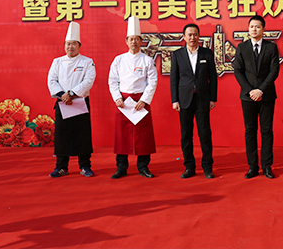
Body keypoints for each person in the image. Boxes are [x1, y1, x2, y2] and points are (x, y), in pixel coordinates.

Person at [108, 16, 158, 179]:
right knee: (122, 137)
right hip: (124, 103)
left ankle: (143, 166)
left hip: (140, 102)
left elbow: (152, 82)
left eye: (136, 39)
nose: (134, 42)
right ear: (126, 41)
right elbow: (113, 81)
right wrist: (117, 98)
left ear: (141, 40)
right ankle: (121, 167)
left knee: (143, 136)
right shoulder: (119, 60)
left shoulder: (147, 60)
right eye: (131, 39)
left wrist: (144, 100)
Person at [47, 21, 96, 178]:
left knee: (82, 135)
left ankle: (85, 166)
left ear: (79, 46)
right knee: (62, 135)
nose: (70, 47)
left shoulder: (87, 62)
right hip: (63, 103)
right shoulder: (57, 62)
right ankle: (61, 167)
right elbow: (51, 80)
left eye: (74, 44)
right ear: (64, 45)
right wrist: (63, 95)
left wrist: (72, 93)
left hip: (80, 103)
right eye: (68, 44)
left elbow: (88, 80)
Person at [233, 15, 280, 179]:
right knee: (250, 131)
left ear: (263, 29)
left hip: (266, 95)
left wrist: (260, 90)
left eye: (258, 26)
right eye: (251, 26)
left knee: (267, 131)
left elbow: (274, 71)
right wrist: (250, 91)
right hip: (247, 97)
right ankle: (252, 166)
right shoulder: (242, 48)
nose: (254, 29)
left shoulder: (271, 47)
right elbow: (238, 71)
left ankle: (267, 166)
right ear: (248, 29)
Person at [170, 23, 217, 179]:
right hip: (184, 100)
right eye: (189, 35)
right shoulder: (177, 55)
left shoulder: (206, 54)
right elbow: (174, 79)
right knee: (186, 135)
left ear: (199, 36)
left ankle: (207, 167)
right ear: (184, 37)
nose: (192, 37)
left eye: (195, 34)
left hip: (202, 99)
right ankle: (189, 167)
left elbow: (213, 78)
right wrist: (174, 100)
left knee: (205, 134)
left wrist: (212, 98)